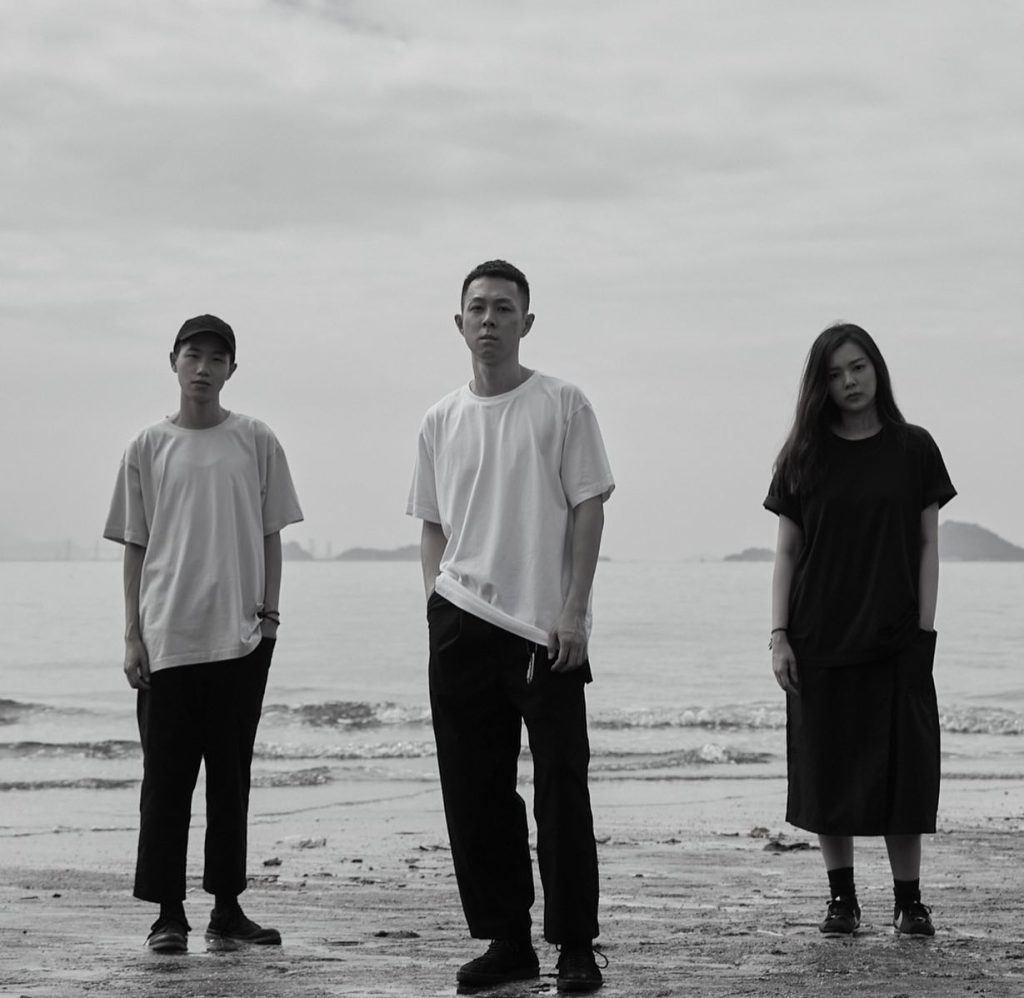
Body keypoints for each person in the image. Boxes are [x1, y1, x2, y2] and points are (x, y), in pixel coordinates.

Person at [407, 260, 614, 992]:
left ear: (526, 322)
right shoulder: (440, 419)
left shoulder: (562, 404)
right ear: (458, 322)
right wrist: (434, 606)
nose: (488, 319)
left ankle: (575, 945)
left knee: (562, 787)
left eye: (502, 308)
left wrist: (574, 610)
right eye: (477, 308)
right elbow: (432, 525)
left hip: (543, 631)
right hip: (460, 621)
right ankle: (507, 942)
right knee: (475, 792)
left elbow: (589, 507)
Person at [104, 314, 303, 953]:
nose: (203, 368)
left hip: (240, 638)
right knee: (165, 781)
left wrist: (269, 619)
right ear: (173, 362)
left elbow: (272, 534)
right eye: (193, 355)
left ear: (231, 370)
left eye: (217, 359)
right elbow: (135, 546)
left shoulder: (255, 439)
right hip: (167, 637)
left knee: (230, 779)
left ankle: (227, 910)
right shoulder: (147, 446)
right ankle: (168, 916)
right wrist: (132, 634)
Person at [764, 323, 956, 937]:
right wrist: (779, 634)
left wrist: (924, 630)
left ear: (877, 369)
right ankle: (841, 899)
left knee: (905, 768)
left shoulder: (914, 448)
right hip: (819, 636)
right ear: (819, 386)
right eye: (834, 374)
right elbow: (787, 553)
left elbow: (927, 544)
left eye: (858, 367)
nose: (848, 382)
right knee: (828, 768)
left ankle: (909, 901)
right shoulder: (803, 456)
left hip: (898, 635)